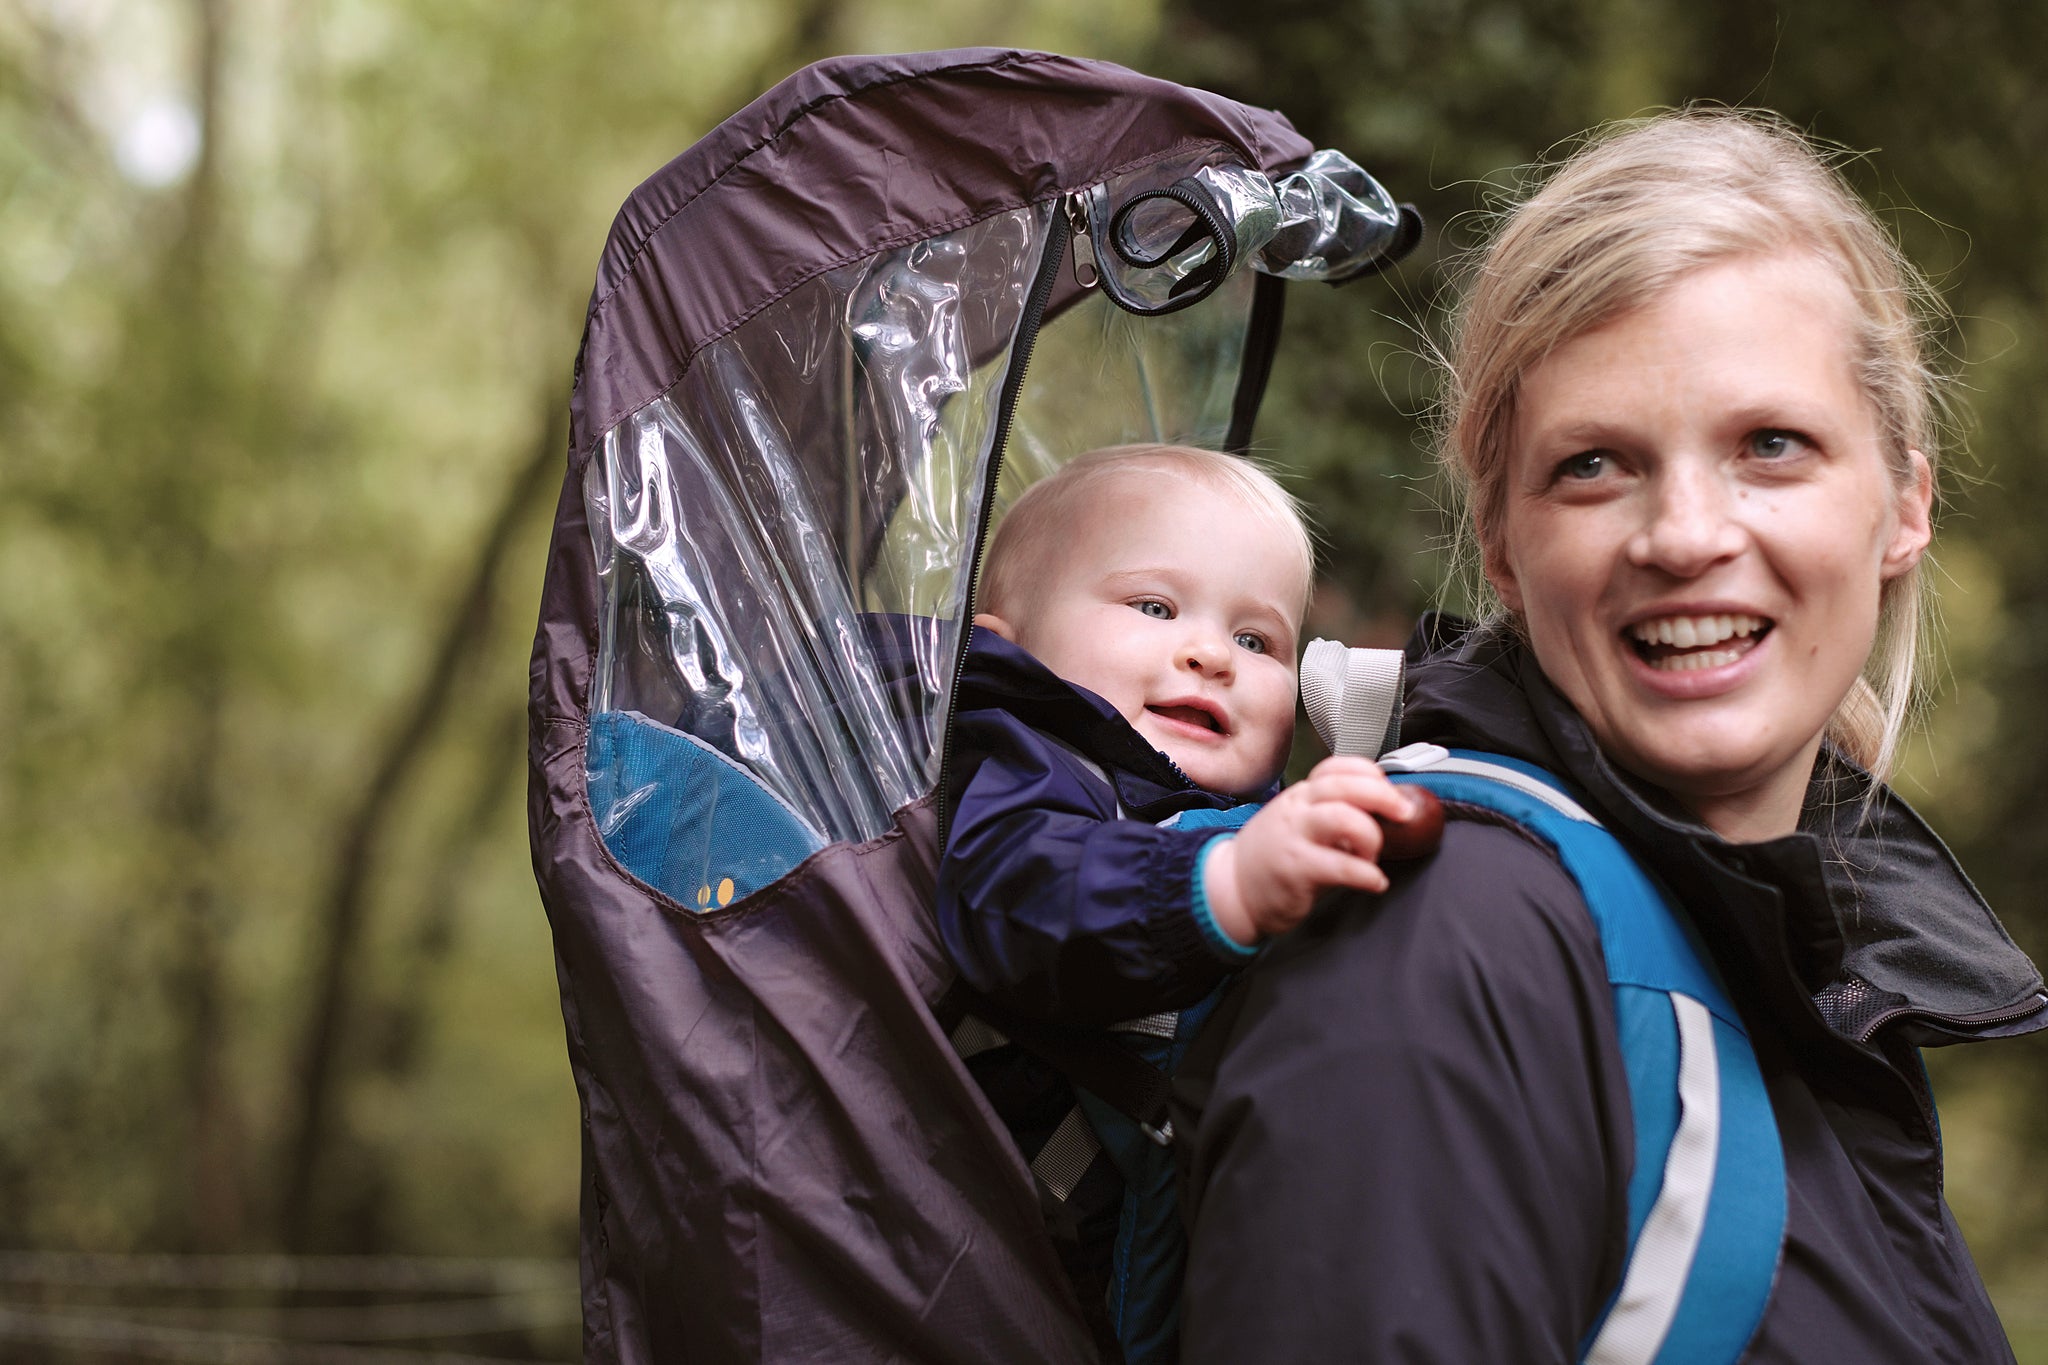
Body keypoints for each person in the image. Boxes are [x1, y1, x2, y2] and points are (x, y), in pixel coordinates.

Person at [1175, 110, 2047, 1363]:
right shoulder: (1443, 949)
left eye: (1769, 446)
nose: (1683, 536)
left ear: (1903, 501)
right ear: (1501, 544)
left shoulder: (1778, 963)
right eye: (1593, 465)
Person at [936, 442, 1417, 1363]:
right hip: (1027, 1274)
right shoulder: (1028, 764)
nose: (1211, 655)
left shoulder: (1251, 815)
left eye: (1257, 640)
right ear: (1009, 642)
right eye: (1154, 607)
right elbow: (1015, 896)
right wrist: (1223, 885)